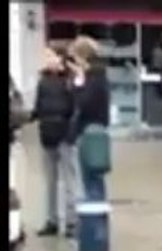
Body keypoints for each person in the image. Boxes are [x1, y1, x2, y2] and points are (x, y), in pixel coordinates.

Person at [32, 47, 77, 238]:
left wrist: (71, 132)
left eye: (50, 56)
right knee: (50, 182)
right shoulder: (42, 81)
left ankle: (71, 222)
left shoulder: (70, 80)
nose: (47, 59)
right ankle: (51, 220)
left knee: (69, 181)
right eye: (46, 56)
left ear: (60, 58)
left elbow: (76, 108)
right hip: (47, 135)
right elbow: (38, 107)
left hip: (65, 135)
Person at [67, 35, 111, 201]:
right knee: (94, 180)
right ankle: (97, 221)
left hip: (90, 132)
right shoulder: (98, 74)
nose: (75, 62)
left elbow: (84, 103)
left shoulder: (94, 77)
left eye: (76, 58)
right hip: (94, 130)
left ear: (83, 57)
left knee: (91, 180)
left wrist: (78, 82)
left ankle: (94, 224)